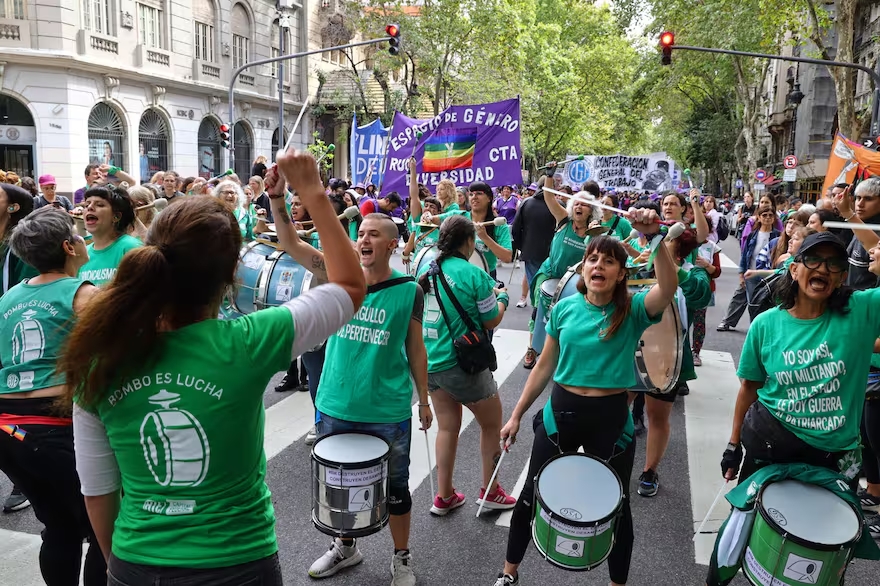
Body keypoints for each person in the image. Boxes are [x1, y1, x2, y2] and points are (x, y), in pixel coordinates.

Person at [65, 151, 366, 586]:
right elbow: (351, 285)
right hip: (238, 562)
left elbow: (97, 491)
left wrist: (124, 566)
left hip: (136, 564)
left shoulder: (99, 357)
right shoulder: (250, 341)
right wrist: (313, 192)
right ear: (231, 276)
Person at [492, 211, 679, 586]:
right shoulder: (563, 308)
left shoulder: (636, 310)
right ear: (583, 269)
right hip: (561, 412)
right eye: (593, 258)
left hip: (611, 420)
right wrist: (515, 416)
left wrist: (655, 236)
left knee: (618, 505)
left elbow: (669, 285)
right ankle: (509, 573)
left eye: (609, 261)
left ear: (621, 274)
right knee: (531, 494)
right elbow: (544, 367)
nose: (599, 265)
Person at [710, 231, 880, 584]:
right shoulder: (766, 324)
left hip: (834, 457)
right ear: (794, 269)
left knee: (828, 550)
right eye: (814, 260)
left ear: (843, 276)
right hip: (771, 447)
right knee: (741, 533)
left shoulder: (861, 312)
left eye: (834, 263)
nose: (824, 268)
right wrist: (732, 446)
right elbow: (749, 389)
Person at [306, 214, 432, 585]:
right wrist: (280, 201)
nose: (364, 240)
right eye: (360, 233)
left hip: (387, 409)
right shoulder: (341, 277)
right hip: (335, 404)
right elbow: (294, 247)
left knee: (395, 487)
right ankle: (345, 548)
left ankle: (402, 558)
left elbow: (417, 349)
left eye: (373, 234)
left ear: (393, 244)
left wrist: (424, 400)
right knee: (339, 485)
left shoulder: (411, 290)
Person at [0, 208, 104, 585]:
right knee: (101, 530)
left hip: (8, 426)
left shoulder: (8, 299)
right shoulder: (84, 293)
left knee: (58, 526)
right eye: (78, 234)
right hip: (53, 424)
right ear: (69, 246)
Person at [416, 215, 515, 515]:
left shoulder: (425, 268)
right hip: (464, 365)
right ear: (469, 242)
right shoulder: (475, 275)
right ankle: (491, 491)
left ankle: (444, 496)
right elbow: (491, 319)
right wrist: (504, 299)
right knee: (491, 424)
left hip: (431, 362)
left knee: (447, 427)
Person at [522, 175, 602, 369]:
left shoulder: (596, 232)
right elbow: (549, 197)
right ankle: (533, 347)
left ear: (591, 211)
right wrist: (549, 177)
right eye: (576, 204)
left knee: (569, 315)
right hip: (549, 274)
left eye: (584, 205)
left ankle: (561, 351)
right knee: (540, 308)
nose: (579, 207)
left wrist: (594, 234)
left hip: (573, 280)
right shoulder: (563, 220)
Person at [77, 185, 142, 286]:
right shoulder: (83, 254)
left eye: (100, 205)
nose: (90, 207)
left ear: (116, 216)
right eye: (87, 205)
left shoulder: (131, 247)